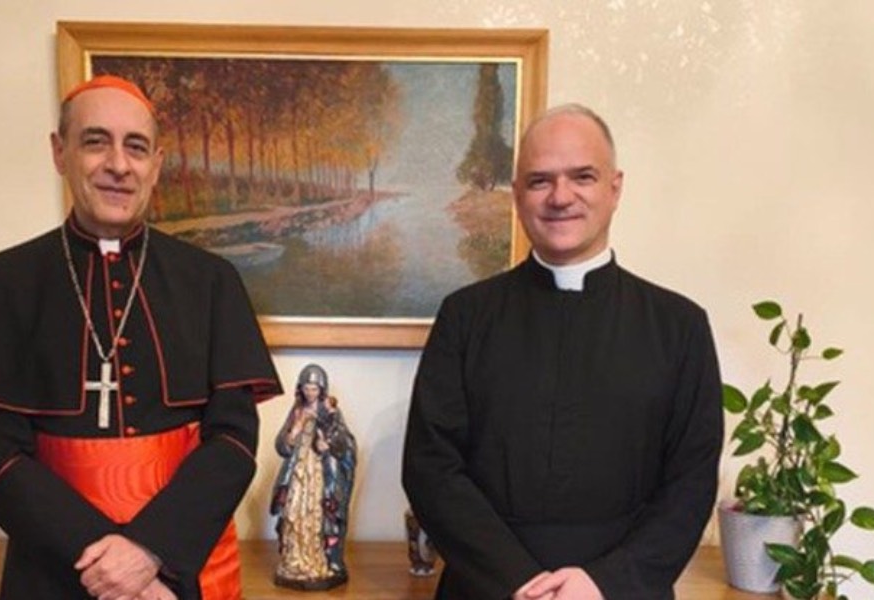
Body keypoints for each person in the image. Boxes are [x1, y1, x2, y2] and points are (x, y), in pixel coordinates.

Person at [0, 75, 282, 600]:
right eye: (96, 141)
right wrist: (115, 565)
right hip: (53, 569)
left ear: (156, 164)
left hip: (180, 568)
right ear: (60, 152)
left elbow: (232, 439)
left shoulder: (211, 281)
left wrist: (151, 553)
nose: (118, 164)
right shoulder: (0, 284)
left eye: (135, 147)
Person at [402, 103, 723, 600]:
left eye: (582, 176)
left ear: (615, 188)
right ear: (517, 195)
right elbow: (430, 467)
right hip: (487, 586)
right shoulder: (465, 316)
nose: (560, 197)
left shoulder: (679, 326)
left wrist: (604, 583)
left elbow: (691, 481)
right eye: (540, 181)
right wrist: (518, 582)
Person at [270, 364, 356, 590]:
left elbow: (345, 441)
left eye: (314, 389)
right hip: (298, 470)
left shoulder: (330, 411)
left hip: (320, 472)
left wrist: (329, 444)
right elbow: (281, 445)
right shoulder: (296, 411)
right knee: (294, 512)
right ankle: (295, 559)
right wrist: (296, 429)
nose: (310, 393)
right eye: (306, 388)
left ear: (322, 389)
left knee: (319, 513)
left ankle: (318, 559)